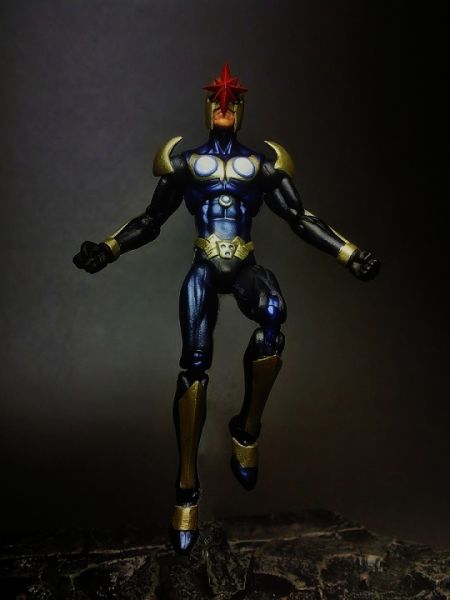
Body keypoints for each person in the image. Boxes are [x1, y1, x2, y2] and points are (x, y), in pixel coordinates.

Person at [73, 63, 380, 554]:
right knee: (194, 369)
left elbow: (300, 218)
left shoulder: (260, 167)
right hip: (203, 266)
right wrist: (108, 248)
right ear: (206, 107)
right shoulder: (184, 163)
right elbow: (151, 220)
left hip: (243, 268)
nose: (223, 105)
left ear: (241, 109)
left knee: (273, 315)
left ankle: (247, 428)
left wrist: (349, 253)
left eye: (232, 100)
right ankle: (186, 490)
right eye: (216, 99)